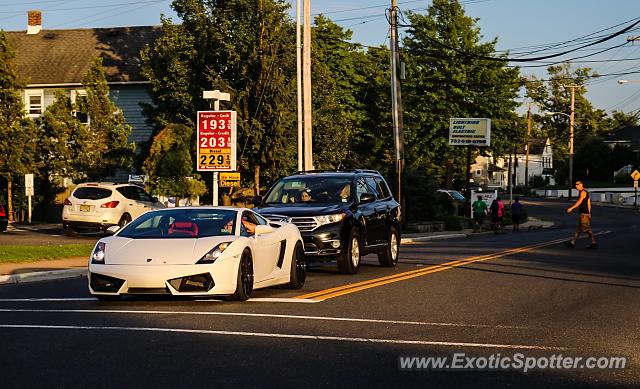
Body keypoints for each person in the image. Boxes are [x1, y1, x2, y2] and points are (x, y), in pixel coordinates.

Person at [565, 181, 597, 249]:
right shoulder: (584, 192)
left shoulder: (583, 192)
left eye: (577, 184)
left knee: (588, 229)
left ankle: (594, 243)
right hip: (583, 213)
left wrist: (571, 208)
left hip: (584, 214)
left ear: (581, 185)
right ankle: (572, 243)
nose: (576, 186)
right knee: (578, 230)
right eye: (575, 184)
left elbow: (579, 202)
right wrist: (589, 213)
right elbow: (589, 204)